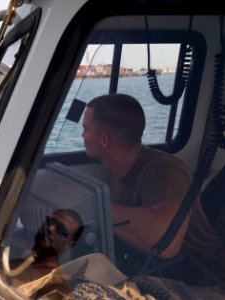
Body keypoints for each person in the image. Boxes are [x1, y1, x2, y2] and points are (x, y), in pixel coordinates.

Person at [81, 93, 225, 295]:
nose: (82, 136)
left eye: (85, 129)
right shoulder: (116, 168)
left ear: (104, 140)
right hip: (155, 267)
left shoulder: (163, 170)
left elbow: (166, 242)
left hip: (200, 273)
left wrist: (95, 207)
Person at [9, 209, 84, 298]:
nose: (51, 228)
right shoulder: (17, 256)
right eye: (51, 221)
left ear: (70, 244)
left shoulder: (56, 285)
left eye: (60, 229)